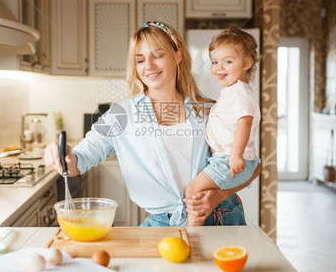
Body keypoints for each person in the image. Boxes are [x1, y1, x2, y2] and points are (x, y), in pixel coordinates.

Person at [44, 21, 245, 226]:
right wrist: (65, 157)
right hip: (163, 223)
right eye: (140, 60)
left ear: (178, 55)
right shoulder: (120, 115)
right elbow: (82, 158)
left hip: (222, 215)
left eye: (157, 56)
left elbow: (252, 165)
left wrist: (219, 195)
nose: (148, 66)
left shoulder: (209, 111)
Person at [185, 27, 262, 226]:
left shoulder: (239, 92)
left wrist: (236, 155)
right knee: (199, 193)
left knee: (193, 192)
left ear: (247, 63)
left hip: (229, 159)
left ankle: (193, 236)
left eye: (228, 61)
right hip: (224, 158)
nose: (219, 67)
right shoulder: (230, 92)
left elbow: (244, 122)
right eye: (214, 62)